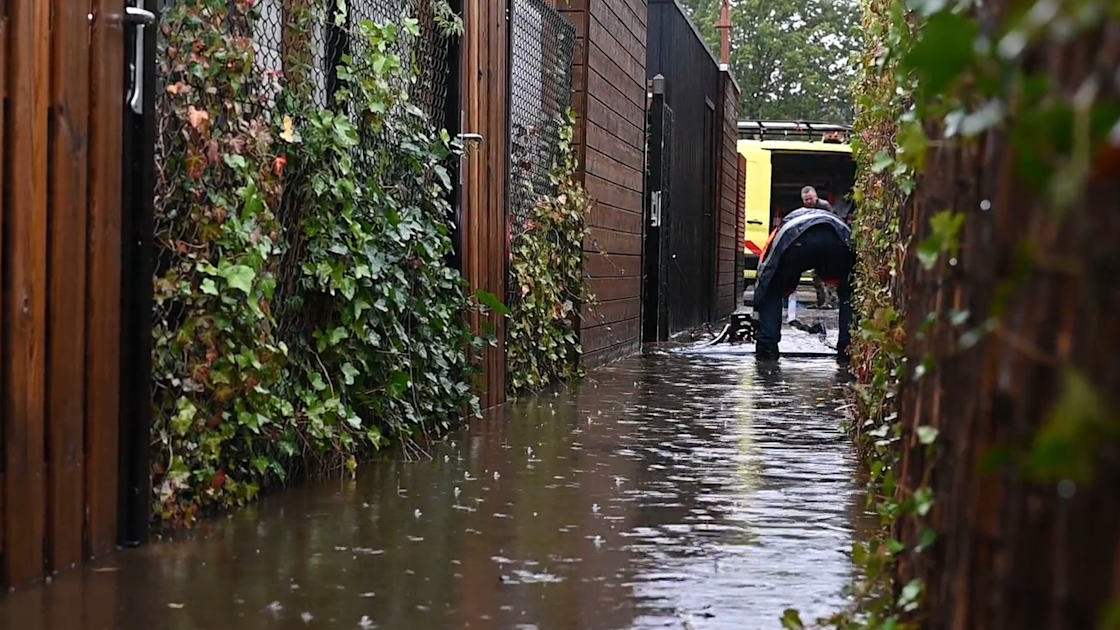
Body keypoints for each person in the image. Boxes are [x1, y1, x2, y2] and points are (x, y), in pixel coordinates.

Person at [752, 205, 855, 364]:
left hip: (796, 241)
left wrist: (759, 308)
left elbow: (765, 275)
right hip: (837, 239)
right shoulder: (837, 222)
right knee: (849, 291)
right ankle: (847, 349)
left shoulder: (779, 232)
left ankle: (768, 349)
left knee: (772, 288)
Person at [800, 186, 839, 310]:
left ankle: (832, 302)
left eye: (810, 199)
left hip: (826, 244)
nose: (808, 202)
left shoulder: (824, 206)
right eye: (806, 200)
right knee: (816, 276)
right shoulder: (804, 210)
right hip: (814, 245)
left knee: (827, 273)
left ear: (815, 197)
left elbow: (833, 222)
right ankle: (821, 301)